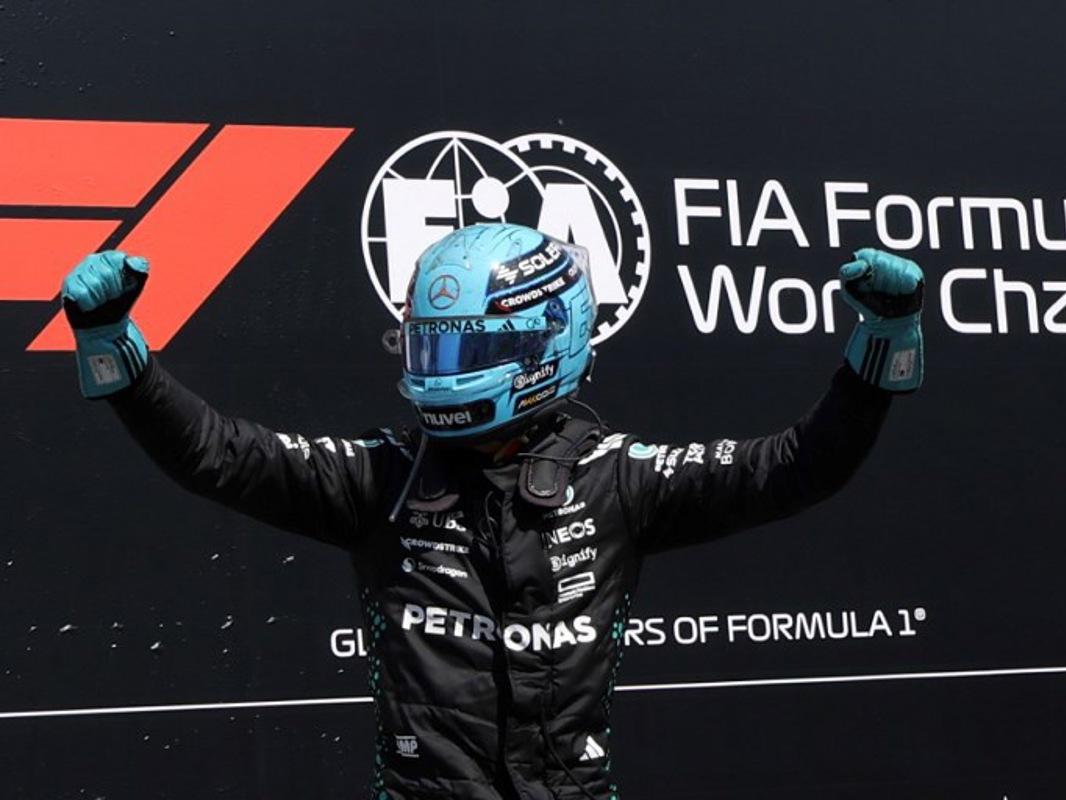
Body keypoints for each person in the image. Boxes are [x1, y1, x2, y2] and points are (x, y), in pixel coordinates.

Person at [61, 223, 924, 800]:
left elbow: (795, 468)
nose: (446, 370)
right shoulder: (382, 478)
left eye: (471, 348)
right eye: (433, 346)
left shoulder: (615, 479)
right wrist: (116, 353)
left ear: (551, 341)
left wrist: (882, 345)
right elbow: (220, 454)